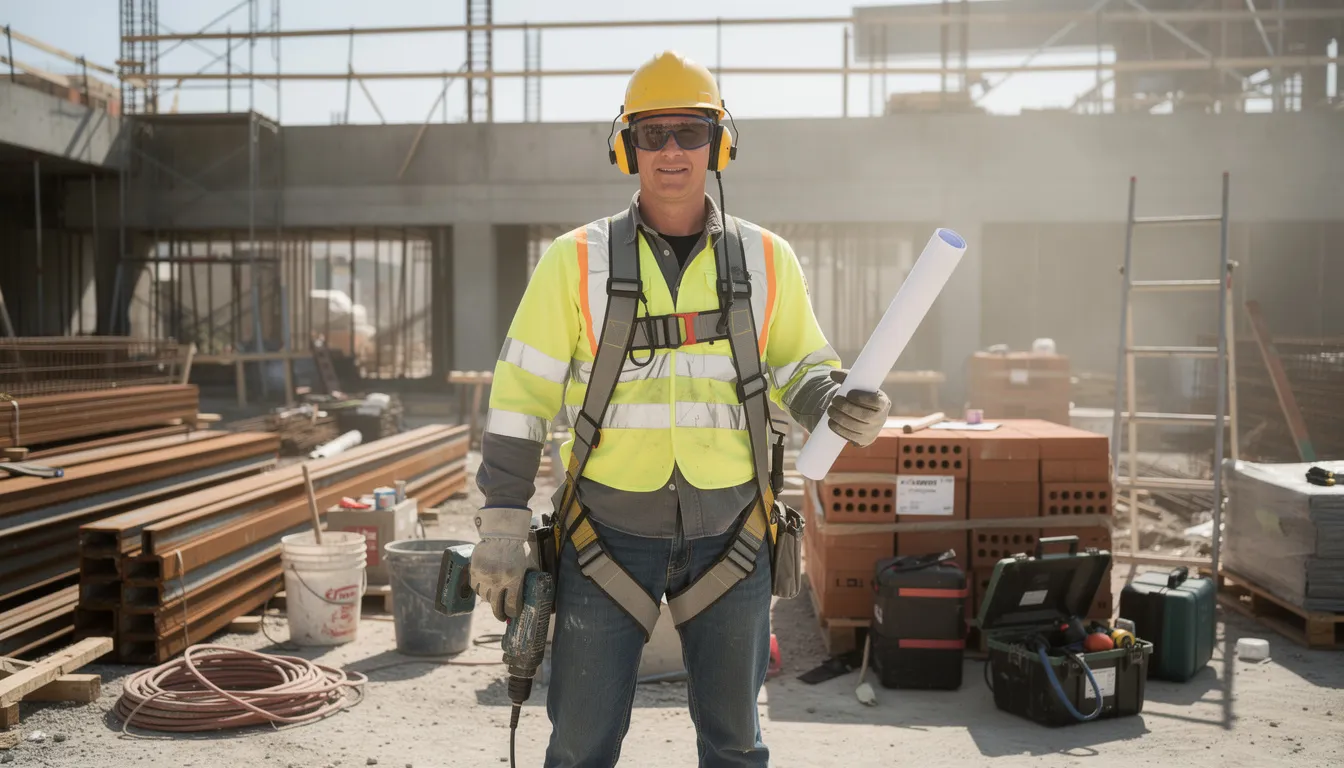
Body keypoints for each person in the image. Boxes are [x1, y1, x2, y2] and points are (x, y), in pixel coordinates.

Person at [470, 50, 892, 768]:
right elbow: (520, 398)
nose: (671, 150)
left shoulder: (766, 259)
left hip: (733, 536)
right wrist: (504, 519)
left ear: (719, 142)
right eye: (652, 133)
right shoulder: (573, 262)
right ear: (625, 146)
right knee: (578, 747)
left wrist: (835, 401)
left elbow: (801, 364)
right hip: (602, 535)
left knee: (735, 745)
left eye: (689, 132)